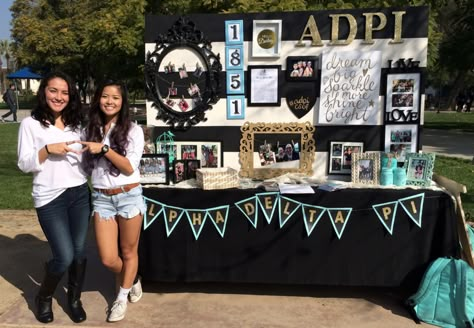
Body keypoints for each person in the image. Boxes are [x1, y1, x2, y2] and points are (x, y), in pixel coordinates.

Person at [17, 71, 91, 324]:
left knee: (80, 252)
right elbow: (25, 164)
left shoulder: (77, 123)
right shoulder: (32, 124)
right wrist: (48, 150)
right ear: (44, 92)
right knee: (64, 256)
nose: (59, 97)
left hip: (80, 193)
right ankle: (44, 296)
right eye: (53, 90)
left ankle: (74, 299)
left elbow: (84, 161)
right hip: (50, 198)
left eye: (65, 92)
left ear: (71, 96)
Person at [80, 80, 145, 323]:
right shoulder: (90, 129)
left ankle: (121, 296)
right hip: (102, 199)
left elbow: (129, 167)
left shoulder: (133, 130)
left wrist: (105, 149)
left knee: (128, 252)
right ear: (98, 98)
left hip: (129, 196)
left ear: (122, 102)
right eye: (105, 96)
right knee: (108, 258)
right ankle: (133, 278)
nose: (110, 101)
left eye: (115, 98)